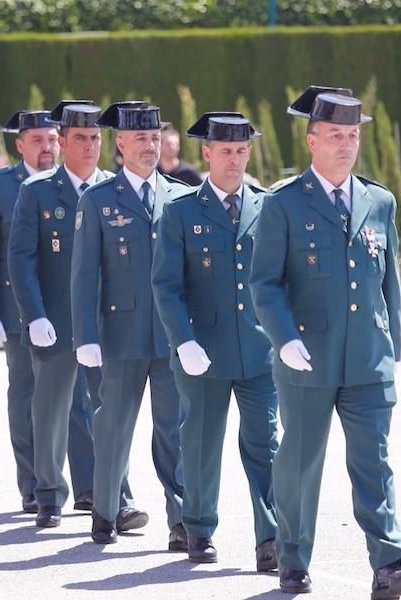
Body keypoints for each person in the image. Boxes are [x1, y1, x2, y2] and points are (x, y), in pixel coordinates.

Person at [249, 86, 401, 598]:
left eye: (352, 135)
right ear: (311, 140)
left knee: (374, 461)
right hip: (306, 361)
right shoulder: (282, 203)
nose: (346, 145)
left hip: (368, 358)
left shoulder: (379, 200)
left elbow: (389, 282)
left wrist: (392, 350)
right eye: (335, 136)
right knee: (299, 464)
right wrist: (283, 339)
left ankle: (389, 562)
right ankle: (293, 558)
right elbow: (264, 284)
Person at [151, 112, 278, 570]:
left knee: (266, 445)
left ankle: (272, 538)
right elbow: (166, 285)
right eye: (225, 151)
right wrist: (182, 340)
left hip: (260, 352)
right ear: (206, 153)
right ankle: (199, 529)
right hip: (202, 353)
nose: (234, 159)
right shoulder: (181, 211)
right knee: (201, 444)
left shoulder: (267, 206)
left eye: (241, 150)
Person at [71, 101, 188, 548]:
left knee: (174, 429)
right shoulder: (99, 199)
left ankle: (183, 521)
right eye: (140, 138)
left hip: (170, 336)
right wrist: (85, 336)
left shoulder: (179, 196)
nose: (150, 146)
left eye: (155, 137)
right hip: (120, 336)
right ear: (120, 144)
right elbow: (84, 275)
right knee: (113, 425)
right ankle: (104, 511)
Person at [8, 100, 130, 527]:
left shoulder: (115, 189)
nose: (91, 146)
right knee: (51, 410)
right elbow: (21, 260)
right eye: (80, 138)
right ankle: (48, 493)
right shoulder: (37, 191)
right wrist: (34, 315)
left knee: (111, 408)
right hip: (56, 321)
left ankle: (115, 495)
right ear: (63, 141)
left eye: (96, 138)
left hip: (105, 322)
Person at [0, 109, 60, 513]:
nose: (47, 147)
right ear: (20, 145)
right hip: (18, 309)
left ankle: (85, 484)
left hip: (65, 309)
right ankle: (33, 483)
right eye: (38, 140)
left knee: (76, 401)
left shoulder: (70, 183)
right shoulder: (1, 186)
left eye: (52, 139)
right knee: (25, 396)